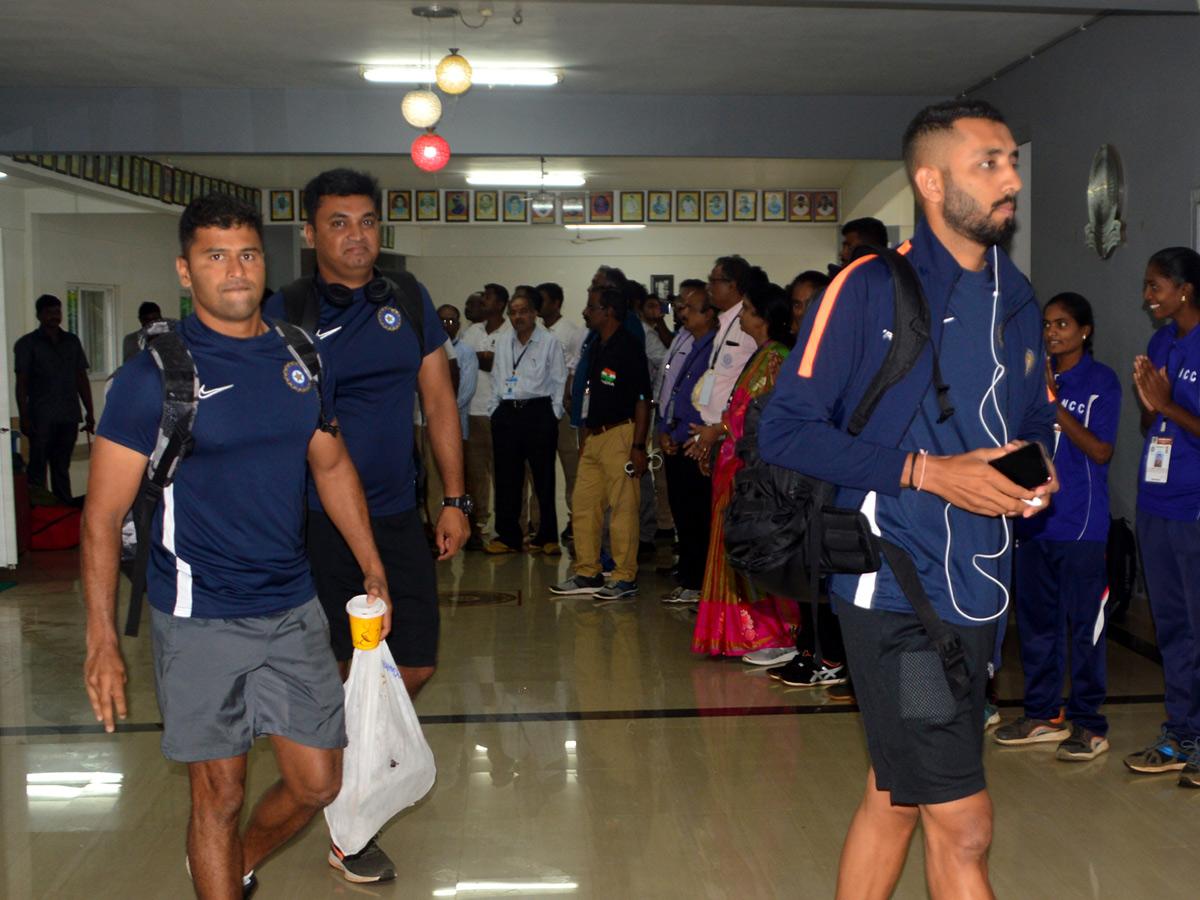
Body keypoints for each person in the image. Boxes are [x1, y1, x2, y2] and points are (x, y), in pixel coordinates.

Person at [759, 99, 1057, 900]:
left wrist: (1037, 472)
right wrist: (929, 472)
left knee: (896, 796)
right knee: (964, 822)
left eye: (1011, 161)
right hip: (895, 599)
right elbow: (784, 431)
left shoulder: (1018, 297)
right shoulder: (868, 289)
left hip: (980, 591)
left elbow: (1031, 419)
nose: (1012, 181)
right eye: (988, 163)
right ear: (930, 182)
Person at [82, 193, 390, 900]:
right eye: (214, 256)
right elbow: (101, 518)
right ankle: (219, 871)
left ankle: (230, 865)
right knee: (216, 796)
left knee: (319, 783)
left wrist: (371, 561)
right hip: (198, 617)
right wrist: (102, 638)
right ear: (185, 272)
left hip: (291, 605)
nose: (235, 270)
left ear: (266, 261)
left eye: (247, 254)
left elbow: (331, 463)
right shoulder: (151, 378)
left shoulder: (301, 356)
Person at [262, 168, 470, 883]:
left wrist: (456, 498)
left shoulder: (405, 298)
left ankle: (336, 788)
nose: (356, 236)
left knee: (411, 665)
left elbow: (439, 401)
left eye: (367, 222)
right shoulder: (286, 307)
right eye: (339, 223)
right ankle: (346, 824)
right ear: (311, 232)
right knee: (344, 672)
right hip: (314, 523)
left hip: (396, 515)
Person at [995, 292, 1121, 760]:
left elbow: (1101, 450)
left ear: (1084, 331)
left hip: (1081, 527)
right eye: (1047, 324)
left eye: (1062, 324)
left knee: (1084, 628)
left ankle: (1089, 724)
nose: (1052, 333)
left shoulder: (1101, 381)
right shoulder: (1033, 379)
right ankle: (1043, 714)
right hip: (1035, 524)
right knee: (1036, 627)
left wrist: (1054, 403)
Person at [687, 283, 799, 656]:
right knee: (732, 549)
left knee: (755, 549)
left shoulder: (776, 357)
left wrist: (715, 431)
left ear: (765, 318)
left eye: (748, 309)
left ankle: (772, 634)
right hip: (733, 465)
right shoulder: (763, 354)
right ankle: (736, 633)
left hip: (753, 472)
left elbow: (757, 415)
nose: (743, 317)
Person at [1125, 247, 1200, 787]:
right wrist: (1151, 403)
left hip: (1194, 508)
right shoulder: (1159, 343)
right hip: (1155, 503)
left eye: (1155, 286)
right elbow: (1153, 423)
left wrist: (1168, 404)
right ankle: (1181, 733)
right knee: (1171, 627)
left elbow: (1175, 413)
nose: (1148, 297)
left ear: (1185, 289)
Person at [550, 287, 651, 601]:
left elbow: (644, 399)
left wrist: (638, 446)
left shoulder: (629, 347)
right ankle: (587, 572)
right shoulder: (596, 345)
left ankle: (624, 578)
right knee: (583, 507)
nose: (584, 312)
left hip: (622, 435)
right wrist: (584, 435)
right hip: (593, 437)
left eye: (591, 307)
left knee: (623, 510)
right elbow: (589, 394)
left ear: (608, 312)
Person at [485, 287, 567, 555]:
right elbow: (497, 377)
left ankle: (547, 536)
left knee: (543, 477)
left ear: (534, 314)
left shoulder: (549, 341)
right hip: (507, 412)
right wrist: (494, 411)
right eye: (513, 312)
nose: (517, 316)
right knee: (507, 477)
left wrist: (554, 414)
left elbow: (558, 379)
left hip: (539, 412)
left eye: (523, 311)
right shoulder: (504, 340)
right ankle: (507, 535)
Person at [657, 284, 717, 605]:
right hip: (677, 439)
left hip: (694, 444)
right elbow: (676, 393)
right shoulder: (692, 343)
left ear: (709, 315)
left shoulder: (712, 349)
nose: (682, 313)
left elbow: (705, 403)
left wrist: (678, 436)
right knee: (682, 514)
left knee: (696, 517)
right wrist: (664, 429)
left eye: (690, 309)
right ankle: (690, 576)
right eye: (682, 308)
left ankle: (698, 582)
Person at [14, 293, 95, 505]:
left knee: (61, 466)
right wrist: (24, 416)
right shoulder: (27, 344)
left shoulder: (71, 341)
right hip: (41, 416)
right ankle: (38, 513)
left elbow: (81, 377)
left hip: (68, 414)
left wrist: (90, 411)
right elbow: (21, 382)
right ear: (39, 316)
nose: (54, 316)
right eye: (48, 313)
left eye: (57, 312)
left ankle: (63, 513)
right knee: (38, 466)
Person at [690, 256, 760, 463]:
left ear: (732, 285)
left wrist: (721, 428)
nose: (708, 287)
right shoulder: (724, 321)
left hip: (731, 433)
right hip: (712, 430)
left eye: (714, 281)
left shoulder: (747, 322)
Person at [460, 283, 512, 548]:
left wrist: (483, 358)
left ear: (500, 304)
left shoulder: (511, 331)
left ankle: (509, 527)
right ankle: (479, 525)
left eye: (488, 298)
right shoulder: (472, 331)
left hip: (500, 411)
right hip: (473, 412)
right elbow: (463, 361)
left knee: (505, 473)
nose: (482, 301)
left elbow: (495, 363)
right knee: (477, 475)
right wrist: (485, 357)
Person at [422, 304, 477, 531]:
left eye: (452, 321)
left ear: (459, 325)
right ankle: (431, 523)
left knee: (457, 479)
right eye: (442, 321)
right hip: (423, 422)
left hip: (456, 426)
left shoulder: (465, 352)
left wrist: (443, 410)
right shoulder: (426, 346)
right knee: (429, 477)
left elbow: (465, 391)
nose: (447, 325)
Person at [538, 282, 583, 541]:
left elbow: (574, 370)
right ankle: (539, 523)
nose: (538, 306)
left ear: (555, 303)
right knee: (539, 470)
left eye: (541, 300)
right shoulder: (534, 331)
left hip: (564, 410)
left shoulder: (571, 332)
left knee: (571, 468)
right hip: (540, 407)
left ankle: (576, 520)